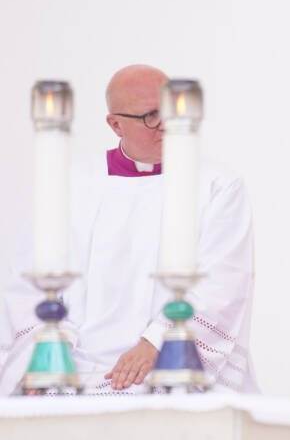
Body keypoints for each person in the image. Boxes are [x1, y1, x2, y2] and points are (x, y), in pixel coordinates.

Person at [0, 64, 256, 394]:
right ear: (115, 124)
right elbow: (26, 278)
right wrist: (48, 349)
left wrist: (156, 342)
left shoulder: (217, 186)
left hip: (167, 362)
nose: (165, 125)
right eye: (151, 115)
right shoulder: (70, 183)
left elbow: (223, 283)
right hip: (76, 367)